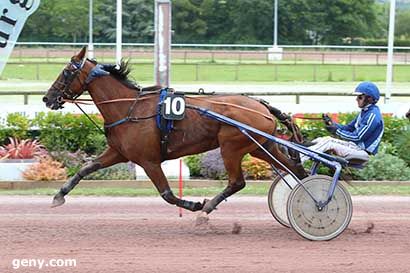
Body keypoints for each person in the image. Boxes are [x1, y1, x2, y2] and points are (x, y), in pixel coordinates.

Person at [301, 81, 384, 163]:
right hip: (355, 147)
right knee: (323, 139)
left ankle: (299, 161)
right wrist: (332, 124)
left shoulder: (373, 115)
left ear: (369, 98)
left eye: (360, 97)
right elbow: (348, 128)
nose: (356, 99)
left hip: (362, 152)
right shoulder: (365, 112)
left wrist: (336, 131)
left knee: (328, 143)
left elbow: (357, 137)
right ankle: (301, 153)